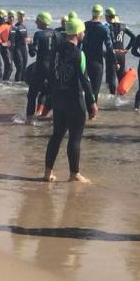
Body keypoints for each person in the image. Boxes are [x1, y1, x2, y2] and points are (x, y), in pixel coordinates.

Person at [43, 15, 98, 182]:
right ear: (78, 33)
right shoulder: (79, 54)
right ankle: (74, 174)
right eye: (83, 31)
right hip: (74, 100)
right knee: (74, 138)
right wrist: (92, 103)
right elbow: (85, 80)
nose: (84, 34)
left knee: (56, 136)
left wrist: (49, 100)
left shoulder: (56, 50)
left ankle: (47, 173)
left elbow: (51, 75)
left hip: (58, 98)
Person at [26, 12, 59, 121]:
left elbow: (32, 53)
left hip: (40, 67)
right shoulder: (57, 34)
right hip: (53, 68)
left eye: (37, 20)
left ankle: (29, 120)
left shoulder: (38, 34)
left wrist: (29, 43)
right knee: (54, 93)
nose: (36, 22)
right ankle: (56, 117)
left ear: (42, 22)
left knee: (32, 95)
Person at [83, 4, 118, 102]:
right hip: (97, 62)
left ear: (92, 13)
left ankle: (85, 109)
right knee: (95, 90)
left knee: (85, 88)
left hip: (84, 60)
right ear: (101, 15)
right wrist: (114, 61)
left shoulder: (84, 25)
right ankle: (92, 113)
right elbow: (109, 47)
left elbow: (80, 43)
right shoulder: (104, 28)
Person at [106, 7, 134, 79]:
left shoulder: (106, 27)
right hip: (121, 54)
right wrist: (127, 49)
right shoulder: (123, 26)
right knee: (121, 78)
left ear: (107, 17)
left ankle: (112, 90)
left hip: (111, 54)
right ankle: (120, 90)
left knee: (111, 78)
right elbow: (134, 37)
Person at [9, 11, 30, 82]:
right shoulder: (15, 27)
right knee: (20, 68)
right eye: (20, 16)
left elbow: (26, 38)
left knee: (24, 68)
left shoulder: (24, 27)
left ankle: (22, 85)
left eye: (23, 16)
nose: (22, 18)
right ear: (18, 17)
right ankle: (17, 85)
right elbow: (11, 41)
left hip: (24, 49)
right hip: (16, 50)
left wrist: (29, 41)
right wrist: (11, 52)